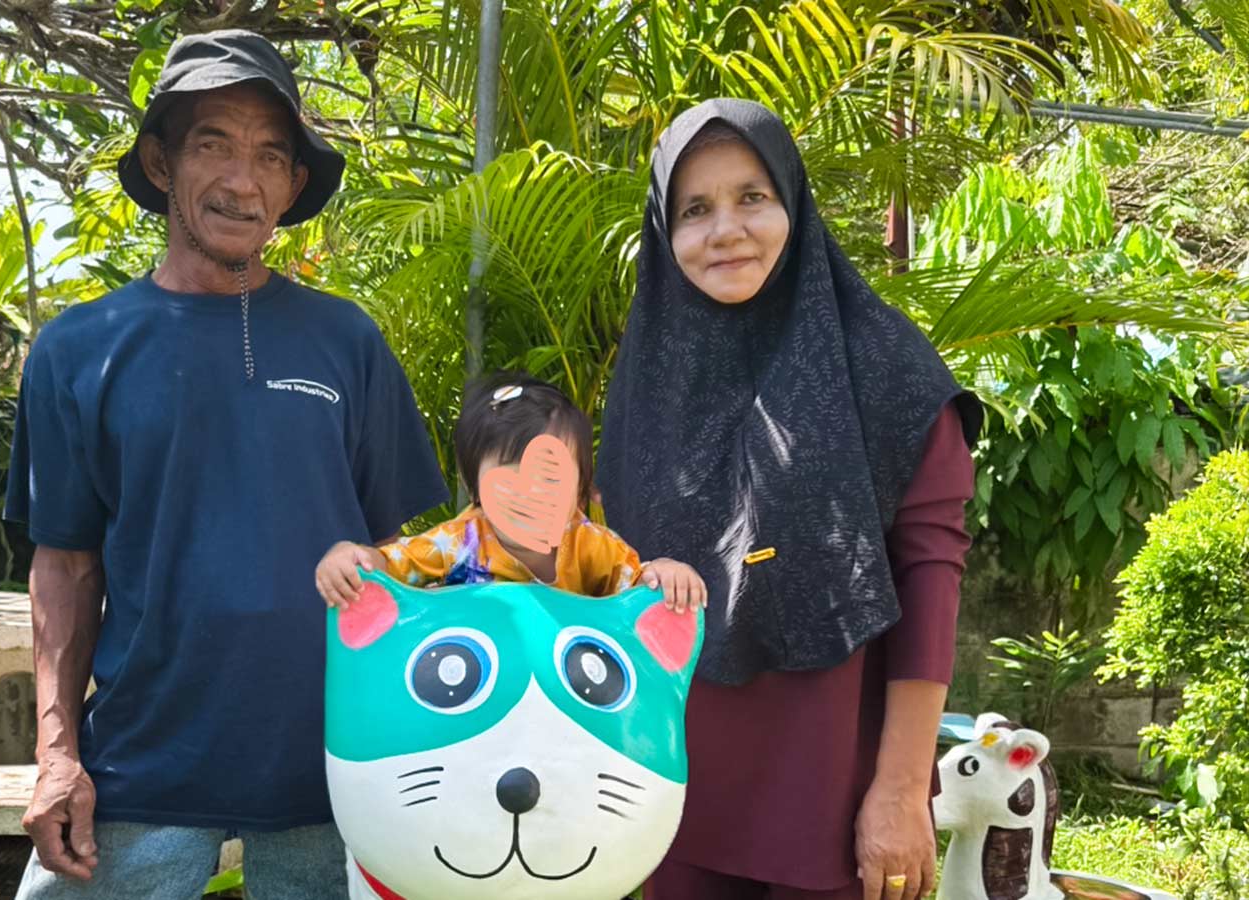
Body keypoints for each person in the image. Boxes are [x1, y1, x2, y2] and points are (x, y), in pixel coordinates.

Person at [5, 29, 447, 899]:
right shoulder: (77, 350)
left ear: (290, 187)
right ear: (163, 163)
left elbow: (398, 562)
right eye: (214, 143)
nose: (242, 180)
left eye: (270, 156)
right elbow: (62, 564)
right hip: (140, 767)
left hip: (334, 775)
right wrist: (57, 755)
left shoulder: (346, 342)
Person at [596, 99, 981, 900]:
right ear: (666, 233)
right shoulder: (645, 384)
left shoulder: (886, 370)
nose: (724, 230)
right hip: (674, 804)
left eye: (752, 197)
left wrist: (902, 792)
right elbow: (613, 579)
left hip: (832, 807)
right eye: (695, 209)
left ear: (794, 206)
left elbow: (930, 578)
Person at [317, 372, 706, 610]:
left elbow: (637, 586)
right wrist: (355, 558)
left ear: (581, 489)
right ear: (476, 488)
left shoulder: (590, 543)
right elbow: (394, 566)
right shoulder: (461, 542)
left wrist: (665, 573)